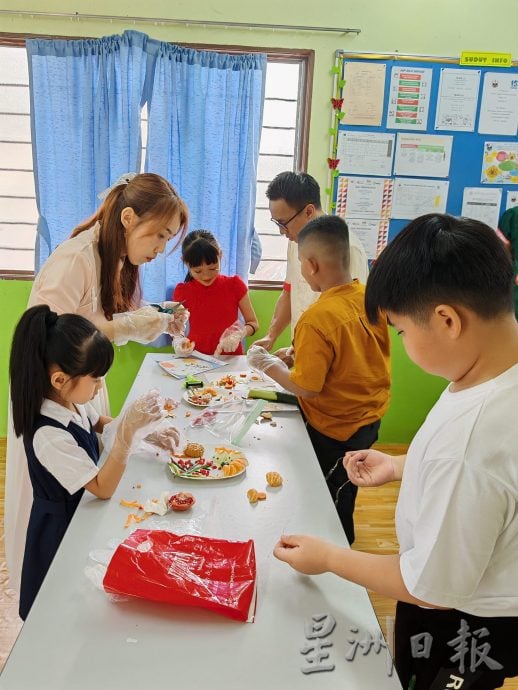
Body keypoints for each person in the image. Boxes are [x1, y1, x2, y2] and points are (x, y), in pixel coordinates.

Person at [273, 213, 518, 690]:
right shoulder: (487, 374)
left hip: (461, 622)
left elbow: (430, 589)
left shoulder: (471, 442)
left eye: (401, 331)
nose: (401, 344)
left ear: (447, 319)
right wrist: (403, 466)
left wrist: (327, 557)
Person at [5, 171, 189, 593]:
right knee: (52, 517)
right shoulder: (77, 258)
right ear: (128, 218)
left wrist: (128, 427)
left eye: (167, 240)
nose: (160, 249)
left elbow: (100, 329)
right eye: (158, 235)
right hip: (57, 397)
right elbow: (56, 338)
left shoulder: (114, 257)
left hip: (80, 392)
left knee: (85, 512)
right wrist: (134, 323)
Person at [10, 305, 180, 620]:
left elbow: (99, 422)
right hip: (60, 530)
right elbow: (102, 487)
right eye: (96, 378)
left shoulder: (71, 402)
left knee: (83, 598)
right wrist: (128, 435)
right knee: (57, 605)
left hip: (81, 515)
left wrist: (144, 431)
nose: (100, 386)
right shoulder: (47, 434)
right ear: (60, 379)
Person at [247, 216, 390, 544]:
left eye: (299, 263)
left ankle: (337, 549)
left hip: (336, 428)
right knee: (342, 487)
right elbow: (353, 357)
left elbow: (307, 388)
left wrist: (265, 364)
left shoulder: (317, 318)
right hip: (367, 417)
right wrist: (301, 355)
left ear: (311, 265)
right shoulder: (367, 299)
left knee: (333, 495)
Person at [254, 172, 369, 363]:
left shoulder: (348, 249)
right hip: (307, 355)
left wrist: (300, 352)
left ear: (308, 211)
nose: (281, 232)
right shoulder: (296, 240)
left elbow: (351, 324)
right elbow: (290, 292)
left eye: (283, 223)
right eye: (276, 223)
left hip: (335, 365)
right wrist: (271, 336)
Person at [172, 230, 259, 355]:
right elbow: (176, 328)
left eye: (212, 268)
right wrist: (178, 340)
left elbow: (253, 323)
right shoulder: (182, 292)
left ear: (220, 255)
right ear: (186, 263)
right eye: (198, 271)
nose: (206, 276)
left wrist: (240, 333)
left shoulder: (234, 285)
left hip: (231, 358)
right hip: (197, 359)